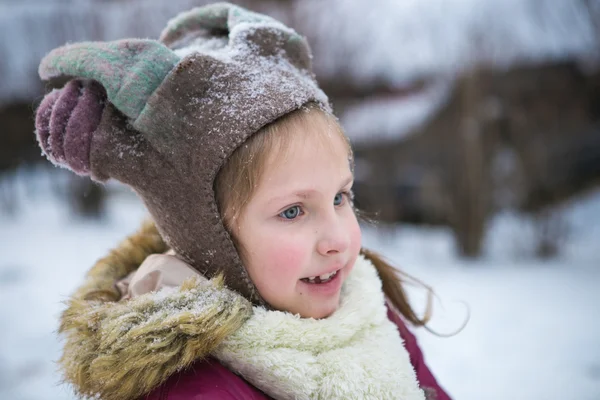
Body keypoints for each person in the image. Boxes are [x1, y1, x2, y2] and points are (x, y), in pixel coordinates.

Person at [35, 3, 451, 399]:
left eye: (341, 196)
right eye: (293, 211)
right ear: (209, 237)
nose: (338, 239)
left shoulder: (366, 311)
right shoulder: (195, 389)